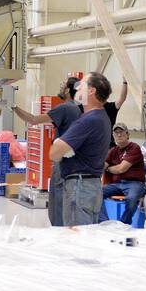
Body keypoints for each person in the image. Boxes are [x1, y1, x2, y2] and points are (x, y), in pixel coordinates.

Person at [13, 76, 81, 226]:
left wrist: (14, 107)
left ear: (68, 90)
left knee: (56, 204)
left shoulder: (64, 108)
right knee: (65, 202)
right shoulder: (77, 108)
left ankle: (58, 233)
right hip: (73, 162)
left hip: (62, 162)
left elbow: (34, 120)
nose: (60, 86)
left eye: (62, 84)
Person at [50, 72, 113, 226]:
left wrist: (59, 144)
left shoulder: (88, 120)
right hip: (91, 186)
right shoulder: (102, 117)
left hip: (79, 188)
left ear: (92, 91)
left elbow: (54, 153)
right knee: (86, 238)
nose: (77, 88)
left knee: (76, 241)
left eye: (82, 85)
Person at [99, 124, 146, 224]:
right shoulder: (113, 151)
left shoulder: (134, 148)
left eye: (121, 132)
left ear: (127, 134)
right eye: (116, 133)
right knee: (96, 193)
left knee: (131, 199)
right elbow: (101, 166)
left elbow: (121, 169)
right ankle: (104, 222)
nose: (119, 135)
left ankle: (124, 223)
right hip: (117, 184)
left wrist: (109, 168)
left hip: (135, 183)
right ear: (113, 135)